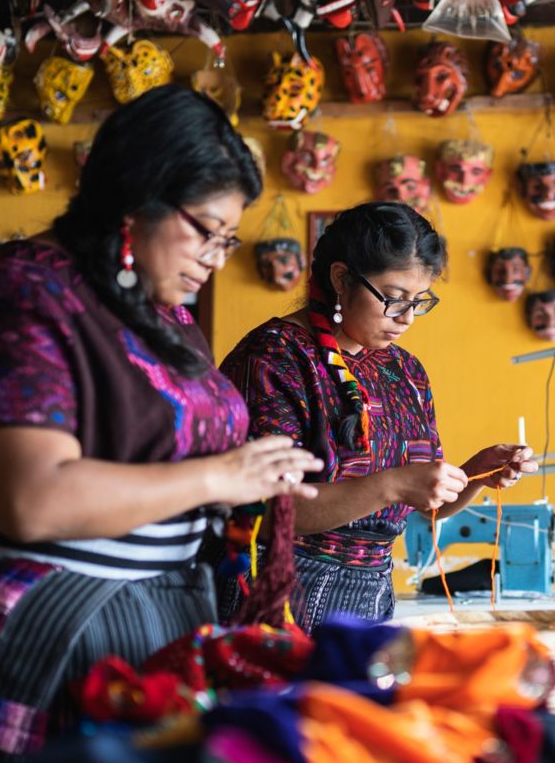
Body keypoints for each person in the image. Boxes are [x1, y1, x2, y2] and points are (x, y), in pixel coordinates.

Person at [0, 84, 322, 763]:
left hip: (154, 617)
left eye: (230, 239)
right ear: (137, 200)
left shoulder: (155, 310)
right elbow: (32, 500)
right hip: (49, 627)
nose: (219, 257)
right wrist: (225, 478)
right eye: (207, 230)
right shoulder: (24, 295)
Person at [213, 201, 537, 630]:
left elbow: (418, 505)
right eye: (394, 299)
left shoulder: (404, 371)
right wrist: (391, 485)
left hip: (370, 596)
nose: (406, 318)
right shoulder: (275, 357)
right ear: (341, 278)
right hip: (278, 594)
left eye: (419, 302)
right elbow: (262, 510)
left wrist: (473, 475)